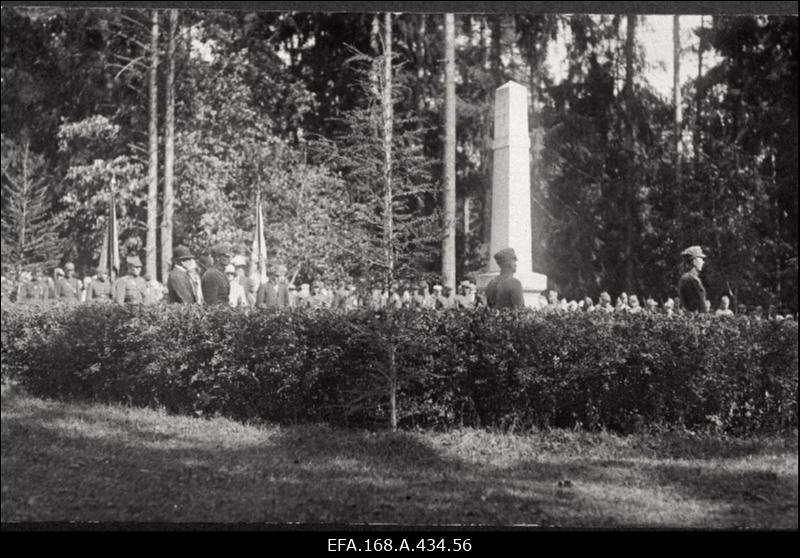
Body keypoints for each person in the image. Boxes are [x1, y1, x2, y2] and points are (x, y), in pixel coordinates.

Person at [678, 245, 708, 313]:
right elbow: (700, 304)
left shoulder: (686, 277)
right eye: (701, 259)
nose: (703, 262)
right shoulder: (691, 279)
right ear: (694, 261)